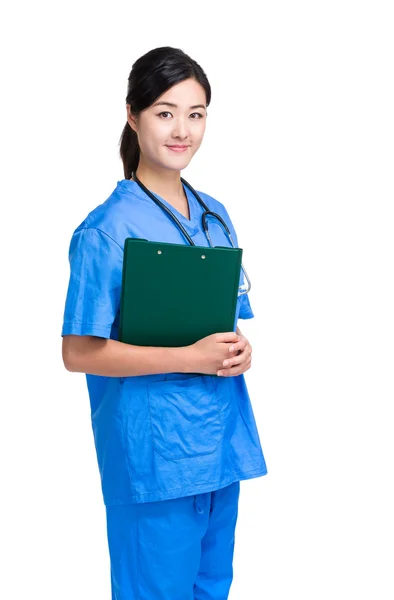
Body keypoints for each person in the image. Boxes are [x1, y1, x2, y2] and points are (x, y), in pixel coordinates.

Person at [61, 46, 268, 600]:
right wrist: (188, 359)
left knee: (210, 589)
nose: (183, 130)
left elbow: (223, 323)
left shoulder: (214, 215)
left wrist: (238, 349)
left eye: (196, 113)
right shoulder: (106, 230)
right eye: (165, 112)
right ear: (133, 115)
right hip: (154, 456)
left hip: (218, 445)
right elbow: (78, 351)